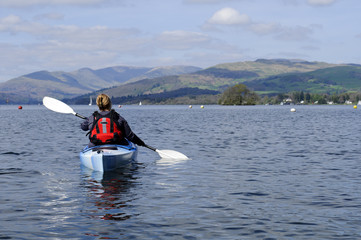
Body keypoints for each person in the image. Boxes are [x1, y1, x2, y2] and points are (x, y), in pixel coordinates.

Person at [81, 93, 146, 148]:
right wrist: (140, 142)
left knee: (89, 145)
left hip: (96, 145)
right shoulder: (118, 117)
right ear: (109, 104)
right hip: (117, 145)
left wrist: (89, 120)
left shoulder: (92, 117)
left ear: (98, 105)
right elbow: (130, 136)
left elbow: (83, 127)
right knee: (129, 143)